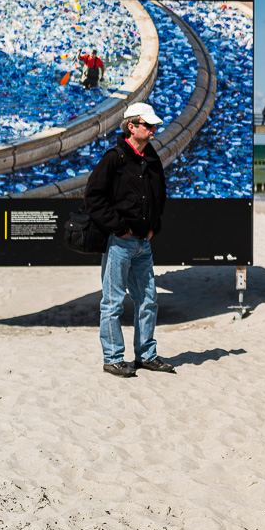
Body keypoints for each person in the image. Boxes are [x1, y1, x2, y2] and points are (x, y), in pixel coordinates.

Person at [85, 102, 174, 378]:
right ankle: (112, 358)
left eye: (154, 125)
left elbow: (160, 195)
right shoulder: (114, 158)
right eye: (148, 125)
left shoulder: (151, 157)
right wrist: (119, 228)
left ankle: (146, 355)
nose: (153, 129)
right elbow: (93, 198)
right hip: (119, 243)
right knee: (112, 302)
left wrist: (152, 228)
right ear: (131, 126)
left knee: (148, 299)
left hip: (142, 244)